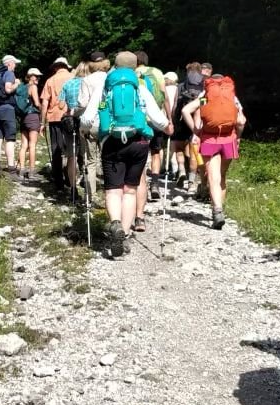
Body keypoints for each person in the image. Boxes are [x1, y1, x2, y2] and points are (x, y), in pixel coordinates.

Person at [81, 50, 171, 256]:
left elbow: (87, 118)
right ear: (135, 67)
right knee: (130, 190)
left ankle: (115, 223)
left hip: (112, 142)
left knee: (113, 190)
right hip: (138, 143)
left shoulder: (106, 86)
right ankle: (126, 232)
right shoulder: (140, 86)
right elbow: (159, 120)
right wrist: (168, 127)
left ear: (115, 65)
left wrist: (84, 130)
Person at [182, 72, 245, 229]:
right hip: (229, 139)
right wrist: (238, 137)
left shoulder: (205, 96)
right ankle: (220, 209)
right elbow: (241, 121)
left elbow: (186, 110)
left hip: (209, 139)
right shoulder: (232, 97)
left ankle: (217, 211)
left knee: (213, 176)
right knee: (222, 176)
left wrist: (196, 131)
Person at [78, 51, 110, 203]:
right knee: (107, 160)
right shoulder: (110, 78)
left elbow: (83, 103)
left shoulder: (86, 80)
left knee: (90, 161)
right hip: (107, 124)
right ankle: (110, 193)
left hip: (90, 124)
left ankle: (89, 196)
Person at [136, 51, 166, 200]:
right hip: (156, 118)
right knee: (155, 151)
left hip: (140, 119)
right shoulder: (157, 72)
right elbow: (164, 95)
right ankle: (154, 183)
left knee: (140, 152)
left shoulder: (132, 73)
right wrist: (168, 117)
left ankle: (140, 184)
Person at [40, 56, 72, 191]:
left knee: (56, 148)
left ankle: (58, 181)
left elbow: (45, 102)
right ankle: (71, 178)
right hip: (71, 117)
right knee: (72, 148)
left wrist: (42, 122)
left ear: (55, 67)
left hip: (55, 117)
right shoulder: (73, 78)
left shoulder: (50, 80)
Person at [173, 62, 205, 194]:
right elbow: (204, 104)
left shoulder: (181, 86)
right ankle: (191, 182)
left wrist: (173, 120)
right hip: (197, 120)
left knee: (179, 148)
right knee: (194, 151)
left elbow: (175, 105)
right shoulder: (204, 86)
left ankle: (181, 170)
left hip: (182, 120)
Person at [59, 61, 88, 196]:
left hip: (70, 120)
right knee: (87, 153)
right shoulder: (88, 83)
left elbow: (60, 105)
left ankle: (72, 188)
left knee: (72, 155)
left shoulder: (68, 84)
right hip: (86, 120)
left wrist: (70, 106)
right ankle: (87, 182)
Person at [0, 54, 20, 173]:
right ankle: (11, 168)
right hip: (7, 109)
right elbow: (8, 89)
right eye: (14, 63)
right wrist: (17, 83)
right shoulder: (9, 73)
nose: (15, 65)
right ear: (9, 63)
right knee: (10, 139)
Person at [17, 67, 43, 180]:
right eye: (36, 76)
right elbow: (36, 103)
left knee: (24, 145)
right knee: (32, 145)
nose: (38, 78)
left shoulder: (22, 87)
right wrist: (42, 109)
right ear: (30, 76)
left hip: (23, 118)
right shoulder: (33, 87)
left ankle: (21, 170)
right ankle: (31, 171)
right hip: (32, 117)